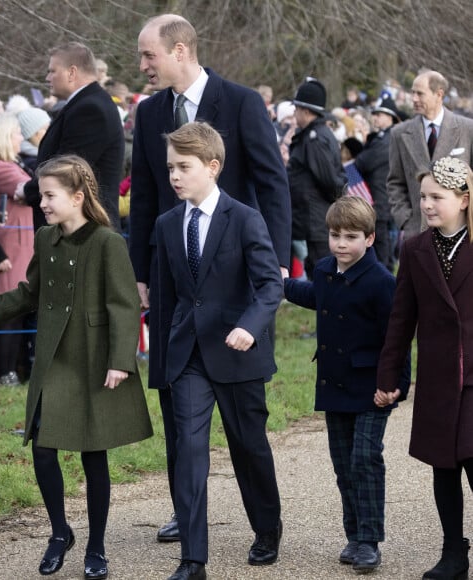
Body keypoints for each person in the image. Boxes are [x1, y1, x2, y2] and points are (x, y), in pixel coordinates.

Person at [131, 14, 291, 542]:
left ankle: (265, 527)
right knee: (182, 418)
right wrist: (140, 275)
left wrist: (273, 273)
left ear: (179, 50)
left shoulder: (242, 102)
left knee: (246, 429)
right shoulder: (149, 111)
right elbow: (149, 200)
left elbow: (273, 187)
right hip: (176, 284)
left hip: (239, 286)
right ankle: (186, 513)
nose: (142, 66)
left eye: (149, 55)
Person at [0, 155, 152, 579]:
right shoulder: (46, 238)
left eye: (49, 195)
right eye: (41, 194)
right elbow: (31, 292)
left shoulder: (108, 242)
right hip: (54, 357)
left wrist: (121, 361)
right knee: (43, 449)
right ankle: (59, 532)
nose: (42, 202)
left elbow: (124, 305)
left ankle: (98, 546)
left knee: (93, 453)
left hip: (93, 358)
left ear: (77, 197)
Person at [156, 122, 282, 580]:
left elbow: (271, 285)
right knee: (189, 451)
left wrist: (250, 327)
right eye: (170, 167)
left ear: (212, 167)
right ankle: (193, 559)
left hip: (238, 353)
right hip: (188, 355)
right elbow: (168, 300)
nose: (174, 175)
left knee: (249, 447)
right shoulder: (167, 223)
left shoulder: (245, 217)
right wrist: (161, 365)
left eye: (183, 167)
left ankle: (267, 528)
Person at [284, 196, 410, 574]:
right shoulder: (324, 271)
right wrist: (280, 283)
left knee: (364, 459)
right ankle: (353, 535)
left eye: (350, 236)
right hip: (335, 384)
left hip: (374, 387)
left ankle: (370, 540)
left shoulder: (382, 282)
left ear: (370, 239)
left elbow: (397, 338)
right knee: (343, 464)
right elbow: (314, 296)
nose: (340, 243)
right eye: (335, 235)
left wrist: (395, 385)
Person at [376, 156, 473, 580]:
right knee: (444, 467)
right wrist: (389, 376)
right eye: (423, 197)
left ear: (464, 199)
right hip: (437, 380)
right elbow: (401, 318)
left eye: (437, 197)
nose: (427, 204)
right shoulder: (415, 249)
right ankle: (454, 553)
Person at [17, 42, 124, 231]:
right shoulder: (84, 104)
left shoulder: (90, 109)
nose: (47, 77)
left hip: (83, 231)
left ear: (71, 72)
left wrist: (28, 190)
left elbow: (68, 170)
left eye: (52, 71)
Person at [387, 70, 473, 239]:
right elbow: (395, 182)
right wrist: (405, 220)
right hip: (416, 232)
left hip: (460, 232)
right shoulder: (399, 133)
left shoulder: (467, 129)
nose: (414, 99)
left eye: (420, 93)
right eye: (412, 93)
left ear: (439, 94)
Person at [0, 113, 33, 386]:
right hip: (9, 251)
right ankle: (5, 373)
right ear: (3, 137)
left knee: (18, 312)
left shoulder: (9, 165)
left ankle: (16, 370)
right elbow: (29, 191)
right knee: (9, 314)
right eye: (16, 134)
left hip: (20, 250)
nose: (21, 139)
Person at [288, 77, 348, 279]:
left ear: (306, 111)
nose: (294, 113)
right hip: (312, 219)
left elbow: (330, 182)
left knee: (323, 275)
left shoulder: (315, 139)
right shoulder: (313, 135)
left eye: (296, 108)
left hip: (317, 220)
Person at [354, 97, 401, 271]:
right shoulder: (382, 137)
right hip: (378, 194)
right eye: (374, 114)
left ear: (390, 117)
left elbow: (365, 161)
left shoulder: (388, 139)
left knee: (381, 239)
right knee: (381, 238)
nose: (375, 118)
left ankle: (385, 272)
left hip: (381, 195)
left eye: (379, 114)